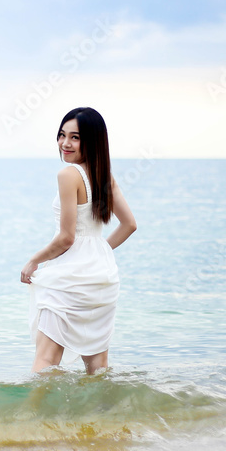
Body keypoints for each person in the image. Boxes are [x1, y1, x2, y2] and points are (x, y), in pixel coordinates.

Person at [20, 107, 137, 374]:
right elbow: (129, 225)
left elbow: (66, 238)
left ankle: (39, 416)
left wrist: (33, 261)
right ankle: (103, 416)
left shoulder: (69, 175)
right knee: (97, 368)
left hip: (69, 277)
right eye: (62, 135)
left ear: (92, 141)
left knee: (45, 362)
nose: (65, 143)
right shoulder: (104, 176)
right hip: (102, 277)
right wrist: (97, 252)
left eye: (75, 137)